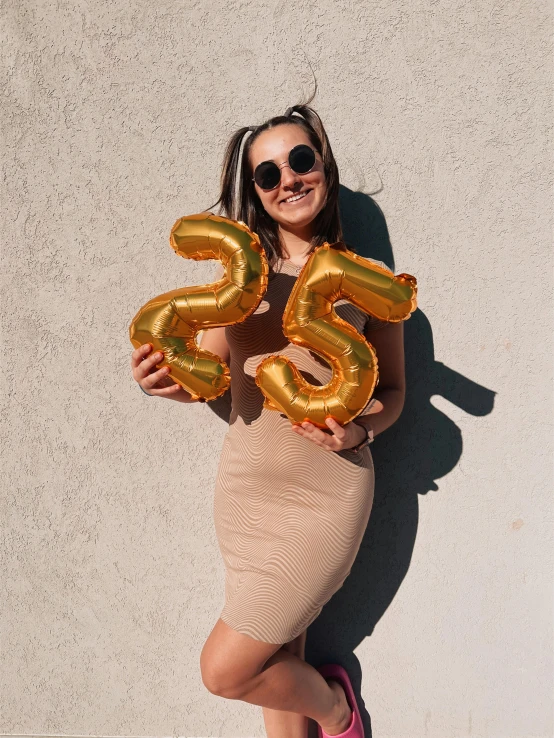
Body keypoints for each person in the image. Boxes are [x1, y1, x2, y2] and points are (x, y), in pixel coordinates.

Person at [130, 102, 406, 738]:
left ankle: (338, 711)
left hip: (328, 492)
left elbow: (392, 392)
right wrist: (159, 384)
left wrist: (363, 430)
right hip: (250, 486)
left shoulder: (373, 282)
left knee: (226, 670)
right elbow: (211, 382)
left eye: (301, 160)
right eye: (268, 173)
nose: (288, 178)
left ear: (324, 169)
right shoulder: (242, 281)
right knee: (278, 657)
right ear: (255, 191)